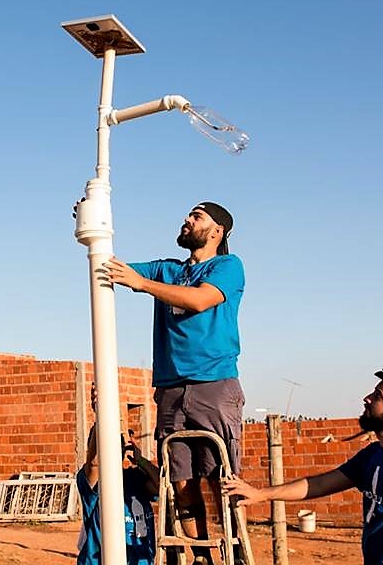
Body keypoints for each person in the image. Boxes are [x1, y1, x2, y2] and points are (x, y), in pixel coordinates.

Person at [102, 201, 245, 565]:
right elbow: (107, 266)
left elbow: (200, 301)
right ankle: (201, 557)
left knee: (221, 479)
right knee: (182, 481)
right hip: (170, 388)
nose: (186, 219)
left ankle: (234, 552)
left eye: (197, 216)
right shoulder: (167, 270)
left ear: (217, 231)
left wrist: (142, 284)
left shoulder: (228, 266)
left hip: (213, 384)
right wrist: (94, 222)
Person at [222, 367, 383, 565]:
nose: (367, 399)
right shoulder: (374, 453)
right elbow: (321, 483)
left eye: (378, 396)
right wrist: (260, 494)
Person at [77, 423, 159, 565]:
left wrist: (141, 461)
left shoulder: (135, 478)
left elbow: (161, 486)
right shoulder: (95, 481)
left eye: (116, 444)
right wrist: (102, 411)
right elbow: (94, 463)